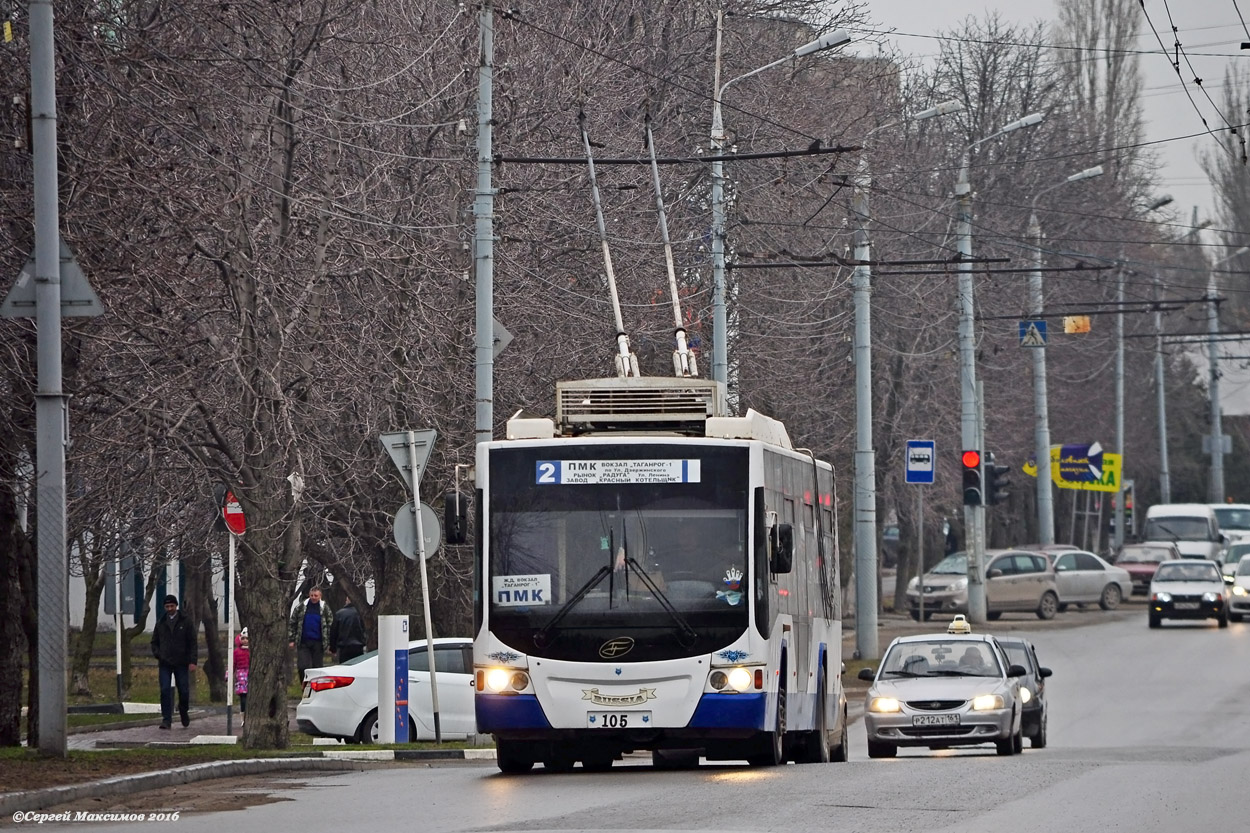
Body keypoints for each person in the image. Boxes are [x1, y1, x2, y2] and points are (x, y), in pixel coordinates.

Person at [150, 594, 198, 729]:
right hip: (165, 662)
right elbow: (154, 642)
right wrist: (159, 654)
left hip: (181, 662)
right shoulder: (161, 623)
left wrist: (193, 660)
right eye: (167, 606)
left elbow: (192, 642)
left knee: (184, 690)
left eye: (172, 606)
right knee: (165, 689)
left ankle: (183, 710)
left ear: (176, 606)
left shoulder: (186, 621)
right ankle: (166, 719)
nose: (170, 609)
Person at [288, 586, 332, 680]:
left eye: (316, 595)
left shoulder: (324, 608)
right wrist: (291, 639)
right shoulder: (301, 607)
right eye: (312, 595)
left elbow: (330, 625)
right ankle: (304, 684)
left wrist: (329, 643)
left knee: (317, 668)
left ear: (320, 596)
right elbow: (293, 622)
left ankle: (315, 685)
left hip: (318, 643)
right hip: (303, 642)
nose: (313, 597)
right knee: (302, 666)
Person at [329, 599, 367, 663]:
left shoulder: (339, 614)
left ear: (347, 601)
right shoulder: (360, 613)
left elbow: (333, 632)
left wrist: (333, 649)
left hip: (344, 646)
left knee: (345, 666)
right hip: (358, 646)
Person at [232, 628, 250, 724]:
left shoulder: (252, 651)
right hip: (241, 677)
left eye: (247, 638)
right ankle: (243, 718)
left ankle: (249, 716)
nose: (245, 640)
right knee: (243, 697)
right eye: (243, 638)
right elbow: (233, 664)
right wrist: (229, 674)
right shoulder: (236, 652)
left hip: (250, 675)